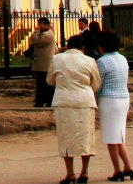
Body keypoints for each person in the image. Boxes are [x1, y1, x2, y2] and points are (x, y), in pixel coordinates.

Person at [48, 33, 101, 184]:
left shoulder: (56, 59)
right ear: (83, 47)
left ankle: (70, 173)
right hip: (84, 101)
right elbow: (96, 83)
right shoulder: (89, 61)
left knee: (66, 137)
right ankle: (84, 171)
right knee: (86, 137)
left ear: (67, 46)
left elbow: (50, 80)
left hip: (64, 100)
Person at [96, 29, 133, 181]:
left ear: (102, 46)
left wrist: (94, 99)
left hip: (108, 100)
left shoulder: (102, 61)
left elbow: (99, 84)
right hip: (123, 98)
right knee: (119, 135)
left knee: (111, 139)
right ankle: (128, 167)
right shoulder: (123, 59)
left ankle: (117, 170)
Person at [30, 17, 57, 107]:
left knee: (46, 84)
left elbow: (36, 41)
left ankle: (47, 101)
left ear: (46, 25)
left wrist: (36, 31)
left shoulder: (48, 34)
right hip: (41, 64)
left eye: (41, 24)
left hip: (45, 64)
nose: (39, 26)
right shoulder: (44, 33)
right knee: (41, 84)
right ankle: (41, 100)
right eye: (39, 24)